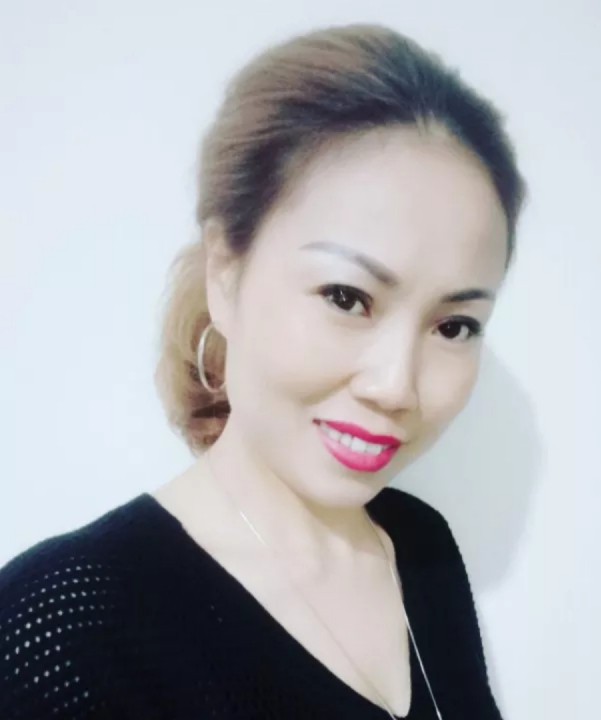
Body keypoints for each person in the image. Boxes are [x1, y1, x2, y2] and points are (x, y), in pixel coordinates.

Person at [0, 22, 527, 719]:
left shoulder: (419, 544)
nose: (396, 386)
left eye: (454, 326)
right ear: (225, 272)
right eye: (347, 298)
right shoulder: (62, 631)